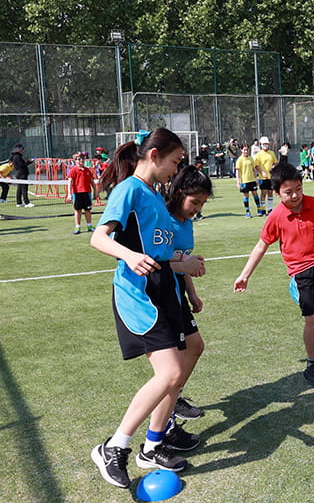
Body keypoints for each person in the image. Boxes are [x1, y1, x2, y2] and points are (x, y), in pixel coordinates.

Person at [89, 128, 203, 488]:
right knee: (169, 374)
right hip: (139, 294)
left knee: (178, 367)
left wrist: (184, 263)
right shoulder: (129, 190)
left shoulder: (154, 195)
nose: (176, 169)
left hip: (164, 291)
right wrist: (129, 255)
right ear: (154, 156)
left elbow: (161, 254)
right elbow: (99, 237)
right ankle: (114, 446)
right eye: (174, 161)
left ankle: (152, 445)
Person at [234, 162, 314, 387]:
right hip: (301, 272)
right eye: (288, 192)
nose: (296, 195)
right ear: (277, 193)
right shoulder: (276, 216)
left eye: (299, 189)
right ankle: (312, 364)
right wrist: (245, 275)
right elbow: (261, 246)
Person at [166, 166, 213, 430]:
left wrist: (192, 293)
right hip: (160, 296)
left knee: (195, 347)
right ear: (179, 192)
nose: (197, 208)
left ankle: (176, 397)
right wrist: (185, 262)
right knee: (170, 364)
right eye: (194, 202)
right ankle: (165, 419)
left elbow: (183, 262)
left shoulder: (187, 222)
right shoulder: (163, 220)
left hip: (178, 295)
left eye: (202, 204)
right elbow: (158, 262)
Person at [67, 152, 95, 234]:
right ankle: (77, 227)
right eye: (79, 159)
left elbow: (92, 182)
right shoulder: (73, 170)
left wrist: (96, 191)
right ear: (75, 160)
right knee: (78, 210)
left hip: (87, 192)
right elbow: (70, 182)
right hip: (77, 193)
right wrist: (69, 194)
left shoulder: (87, 170)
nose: (81, 160)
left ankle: (89, 225)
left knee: (87, 210)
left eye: (83, 159)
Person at [235, 144, 263, 218]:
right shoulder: (239, 160)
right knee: (246, 196)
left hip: (252, 180)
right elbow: (237, 172)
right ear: (241, 150)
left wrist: (256, 179)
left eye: (247, 149)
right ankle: (247, 212)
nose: (246, 151)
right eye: (244, 149)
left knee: (255, 194)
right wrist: (238, 182)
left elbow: (254, 170)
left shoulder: (251, 159)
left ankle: (259, 209)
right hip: (244, 181)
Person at [254, 136, 278, 214]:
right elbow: (256, 165)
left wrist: (273, 167)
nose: (265, 145)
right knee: (263, 193)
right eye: (264, 144)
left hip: (271, 177)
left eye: (267, 144)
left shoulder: (272, 153)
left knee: (270, 193)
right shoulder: (259, 154)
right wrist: (262, 172)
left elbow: (275, 162)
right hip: (263, 177)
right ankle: (262, 209)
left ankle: (270, 209)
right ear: (261, 144)